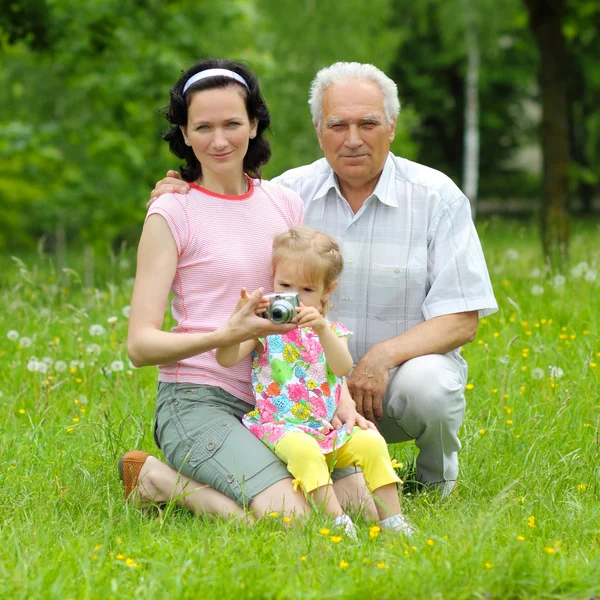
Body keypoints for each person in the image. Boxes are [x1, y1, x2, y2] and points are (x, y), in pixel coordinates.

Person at [150, 62, 498, 497]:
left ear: (391, 126)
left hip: (392, 383)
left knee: (428, 383)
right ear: (318, 130)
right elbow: (229, 208)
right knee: (332, 510)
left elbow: (462, 319)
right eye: (337, 125)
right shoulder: (289, 196)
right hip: (305, 393)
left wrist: (380, 359)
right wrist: (180, 188)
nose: (352, 139)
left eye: (368, 123)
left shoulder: (437, 196)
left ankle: (432, 480)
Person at [121, 58, 375, 522]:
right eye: (203, 126)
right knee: (293, 521)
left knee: (364, 508)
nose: (219, 141)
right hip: (198, 399)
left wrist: (338, 397)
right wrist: (224, 335)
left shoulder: (283, 202)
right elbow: (139, 347)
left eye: (232, 123)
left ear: (255, 124)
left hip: (280, 399)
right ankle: (158, 479)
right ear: (184, 131)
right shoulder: (171, 214)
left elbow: (303, 310)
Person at [216, 226, 411, 537]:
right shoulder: (266, 331)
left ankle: (393, 521)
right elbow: (225, 358)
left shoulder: (332, 332)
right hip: (280, 427)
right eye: (285, 285)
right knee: (305, 451)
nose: (295, 297)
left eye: (306, 290)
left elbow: (342, 365)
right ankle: (337, 523)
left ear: (326, 292)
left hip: (324, 428)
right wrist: (237, 324)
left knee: (372, 442)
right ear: (273, 281)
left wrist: (322, 330)